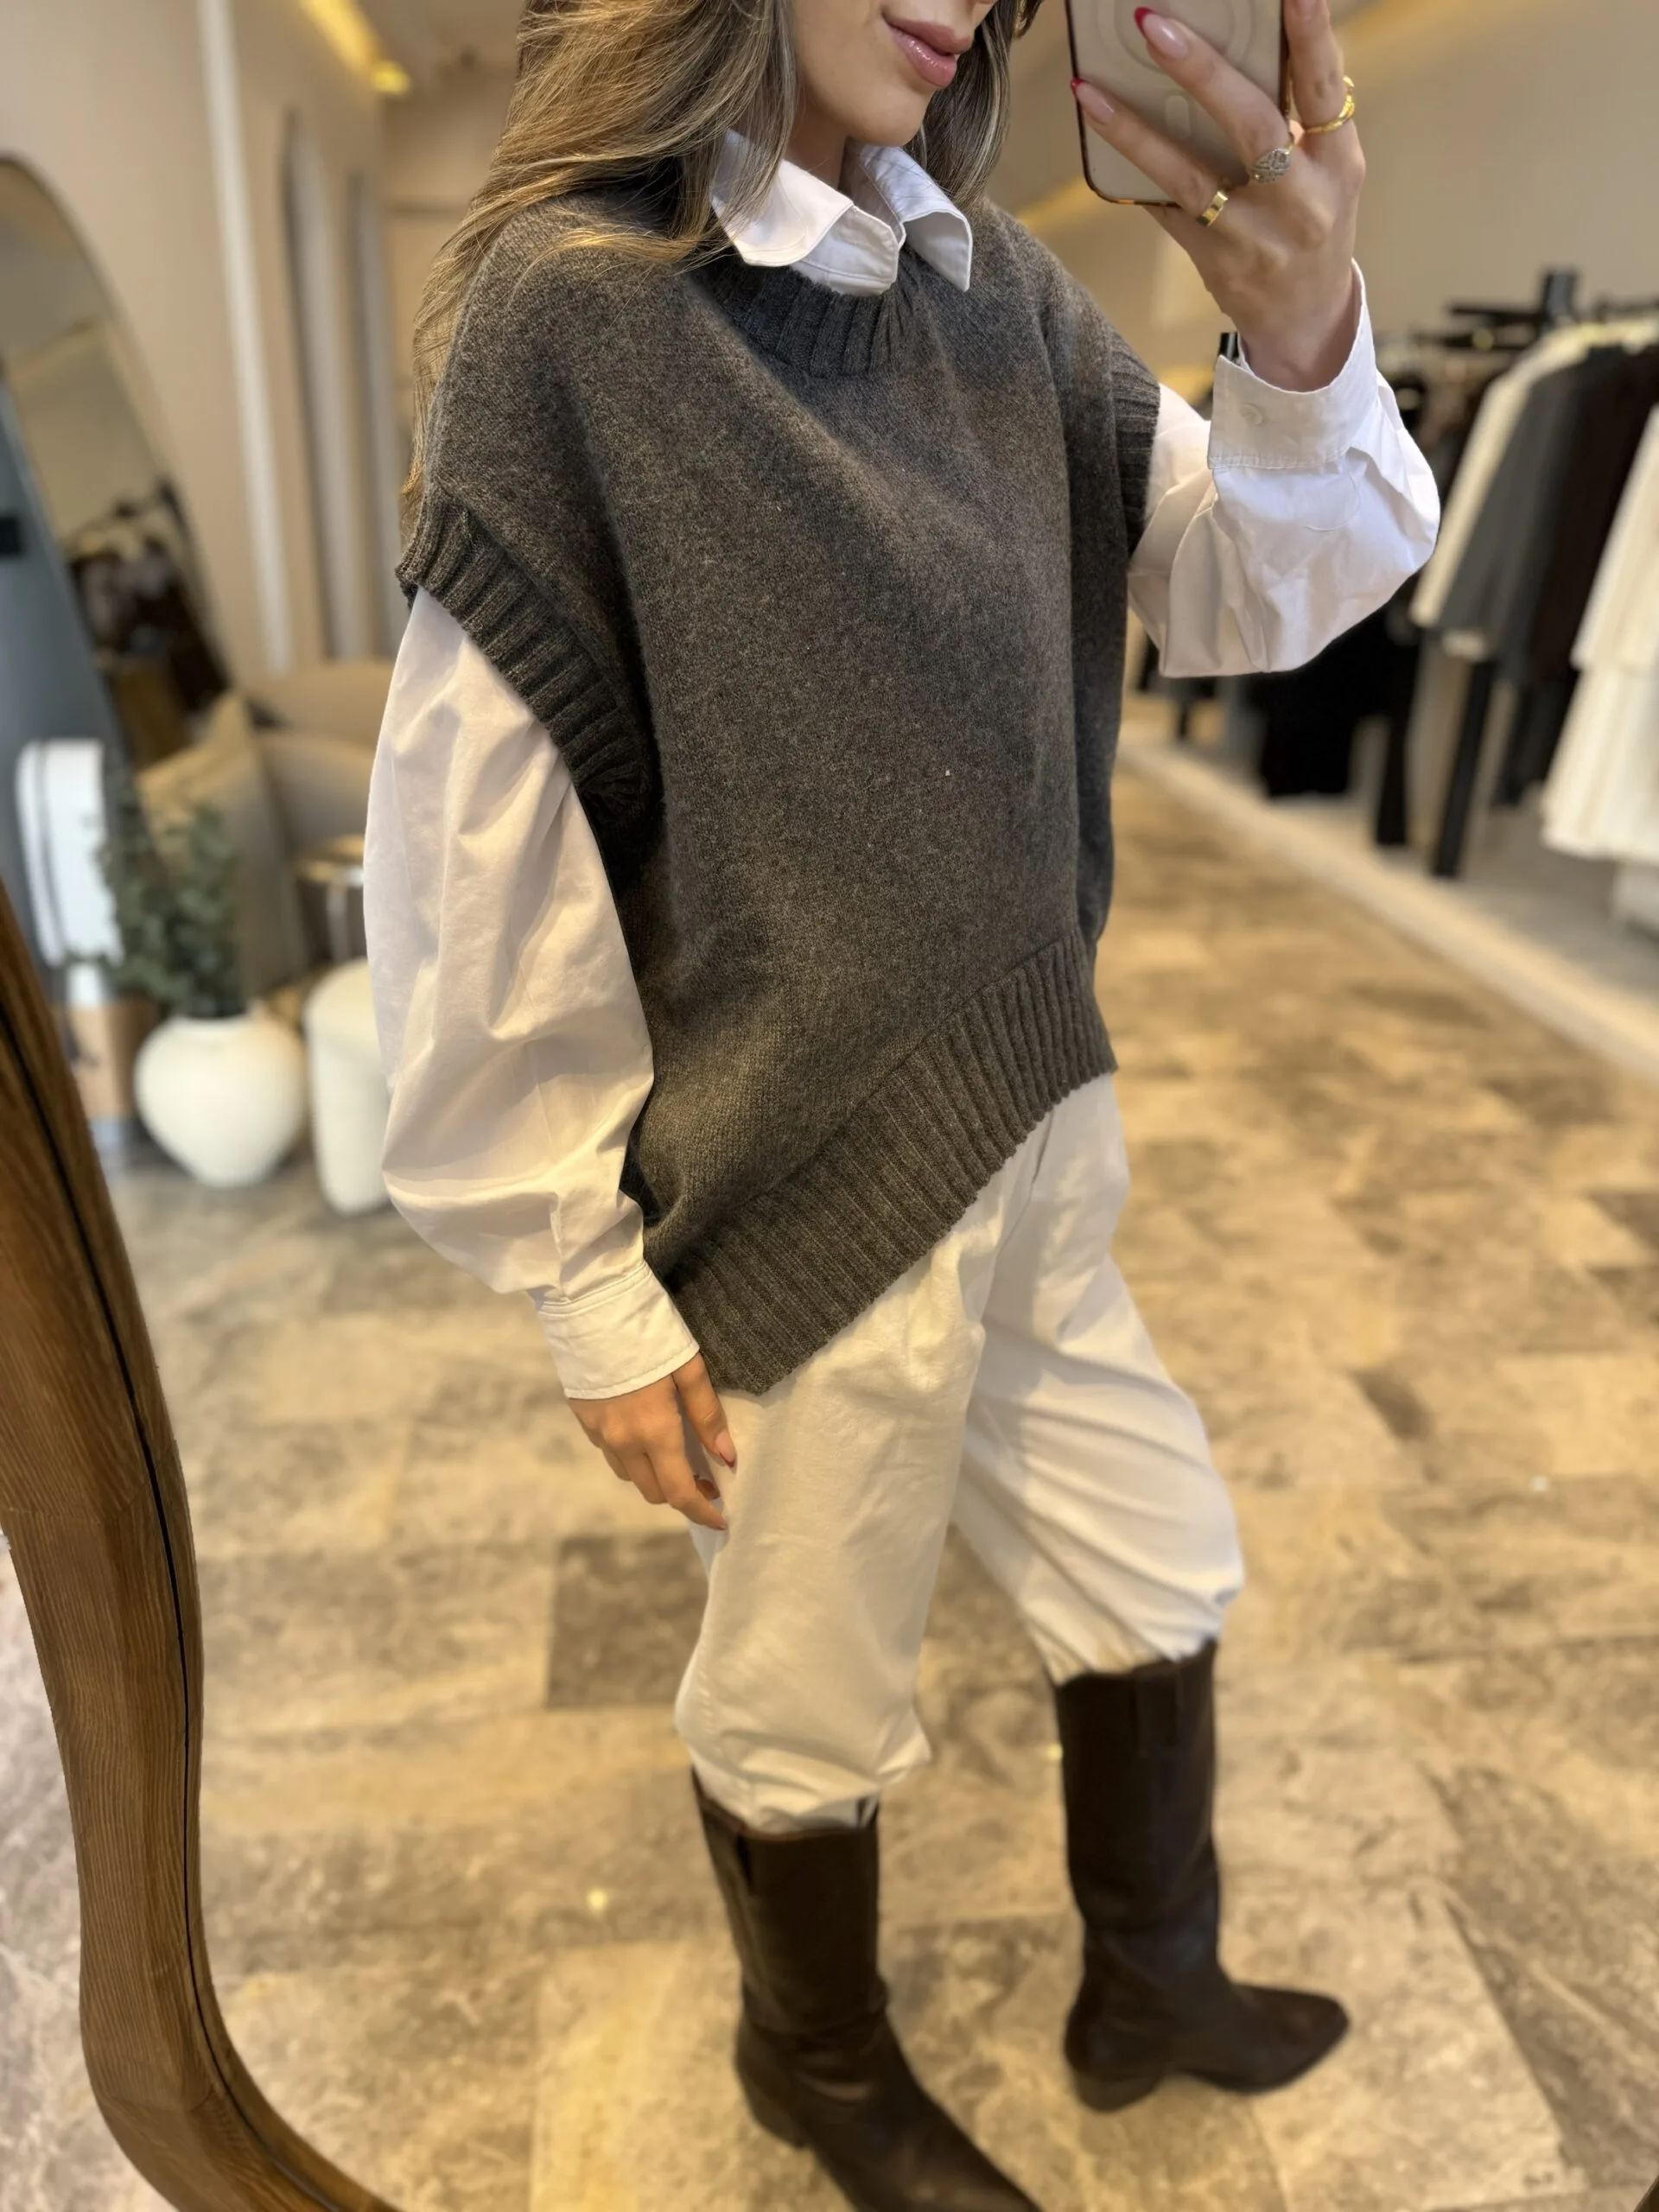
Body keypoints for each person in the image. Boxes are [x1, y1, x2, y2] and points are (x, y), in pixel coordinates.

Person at [365, 1, 1439, 2205]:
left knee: (1152, 1548)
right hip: (805, 1175)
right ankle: (815, 2060)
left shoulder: (993, 286)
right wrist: (581, 1274)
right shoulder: (583, 316)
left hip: (1038, 1109)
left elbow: (1249, 582)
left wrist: (1303, 332)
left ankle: (1155, 1973)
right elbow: (486, 841)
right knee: (807, 1667)